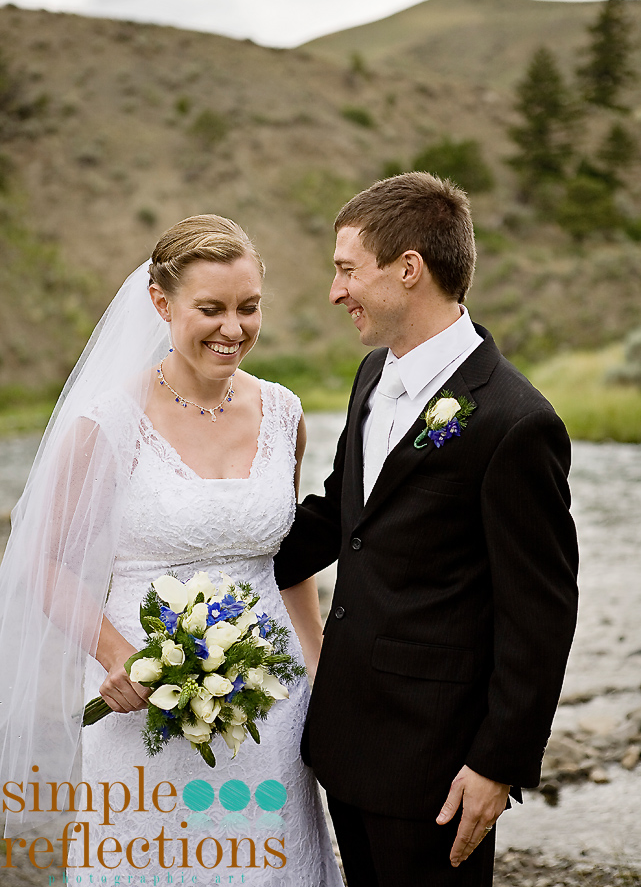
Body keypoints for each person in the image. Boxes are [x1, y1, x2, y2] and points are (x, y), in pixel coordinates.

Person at [0, 214, 343, 885]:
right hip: (144, 703)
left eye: (249, 307)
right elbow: (46, 561)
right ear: (162, 304)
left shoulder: (284, 413)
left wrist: (314, 654)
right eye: (210, 309)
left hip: (267, 704)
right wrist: (116, 655)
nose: (233, 328)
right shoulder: (107, 423)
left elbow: (286, 554)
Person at [273, 172, 579, 886]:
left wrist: (495, 764)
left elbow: (539, 615)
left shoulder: (514, 422)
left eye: (346, 269)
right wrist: (214, 545)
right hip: (345, 742)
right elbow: (339, 518)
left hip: (437, 765)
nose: (334, 290)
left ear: (407, 268)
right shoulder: (372, 375)